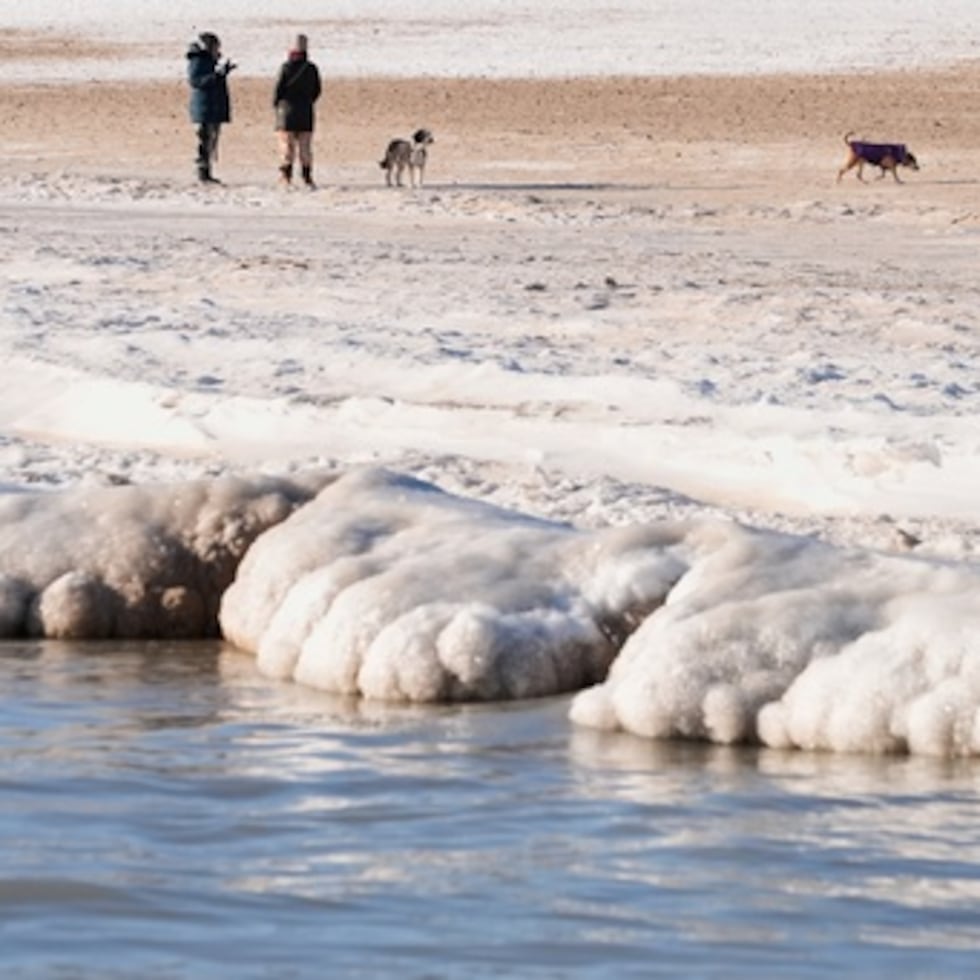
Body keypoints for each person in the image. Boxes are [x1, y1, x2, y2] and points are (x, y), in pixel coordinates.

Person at [273, 34, 322, 188]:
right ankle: (307, 177)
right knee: (305, 148)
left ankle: (286, 176)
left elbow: (278, 90)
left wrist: (277, 105)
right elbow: (317, 90)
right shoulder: (311, 68)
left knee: (286, 147)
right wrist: (307, 102)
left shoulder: (286, 67)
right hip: (306, 112)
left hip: (286, 112)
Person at [186, 31, 235, 184]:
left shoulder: (210, 61)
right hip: (204, 107)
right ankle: (202, 172)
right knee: (204, 139)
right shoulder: (198, 60)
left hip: (212, 106)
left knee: (211, 140)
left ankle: (207, 171)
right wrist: (218, 75)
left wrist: (223, 72)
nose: (217, 50)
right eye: (215, 46)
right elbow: (196, 81)